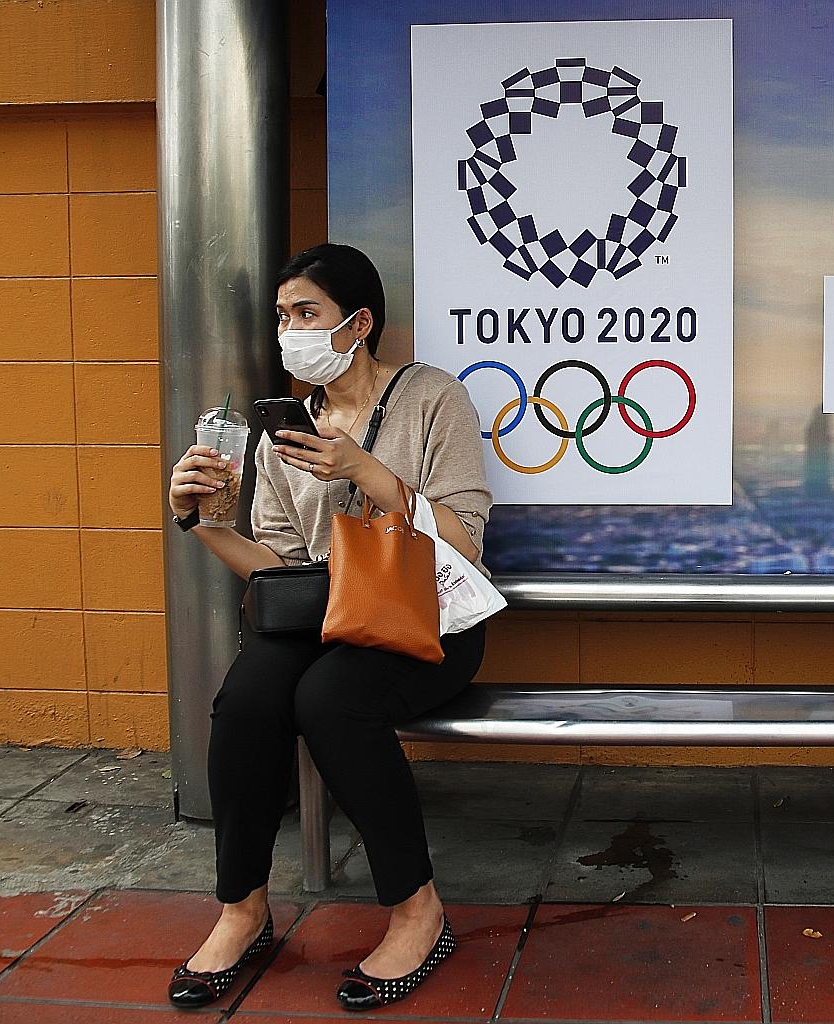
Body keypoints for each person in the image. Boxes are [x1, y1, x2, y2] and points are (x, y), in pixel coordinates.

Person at [164, 243, 493, 1011]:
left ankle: (418, 910)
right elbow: (279, 569)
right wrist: (201, 522)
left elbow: (466, 542)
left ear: (359, 322)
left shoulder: (432, 397)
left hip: (430, 618)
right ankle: (242, 910)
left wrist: (362, 469)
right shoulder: (290, 429)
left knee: (329, 701)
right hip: (328, 614)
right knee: (247, 698)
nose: (290, 331)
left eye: (305, 313)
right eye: (282, 316)